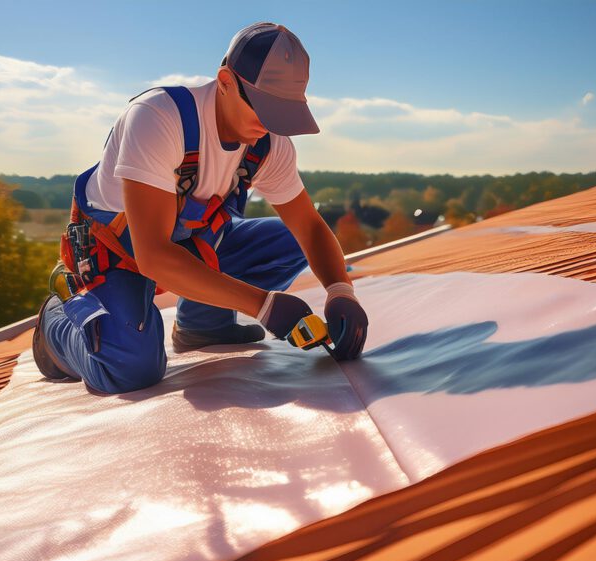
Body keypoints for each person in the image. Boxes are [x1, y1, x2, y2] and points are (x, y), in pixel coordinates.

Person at [32, 22, 368, 393]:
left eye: (283, 112)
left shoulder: (268, 144)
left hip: (193, 241)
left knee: (291, 240)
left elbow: (310, 227)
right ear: (225, 80)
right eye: (264, 108)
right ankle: (56, 327)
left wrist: (340, 291)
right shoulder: (158, 118)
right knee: (130, 369)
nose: (270, 124)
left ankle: (204, 326)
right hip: (121, 252)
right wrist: (264, 306)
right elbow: (154, 256)